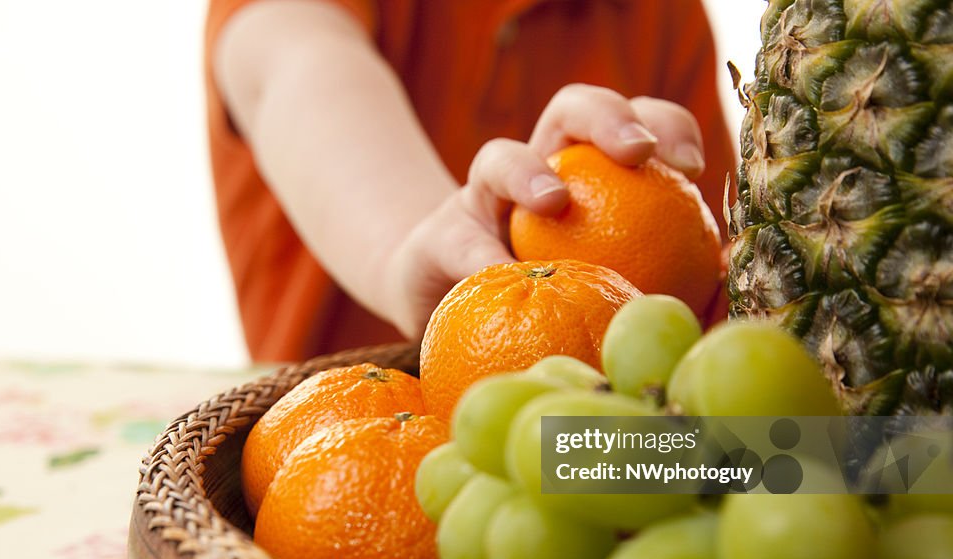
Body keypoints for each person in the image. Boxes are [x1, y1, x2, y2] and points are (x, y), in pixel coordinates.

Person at [204, 0, 735, 362]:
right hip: (331, 454)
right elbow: (291, 65)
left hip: (594, 458)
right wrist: (414, 246)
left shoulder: (662, 13)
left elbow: (711, 283)